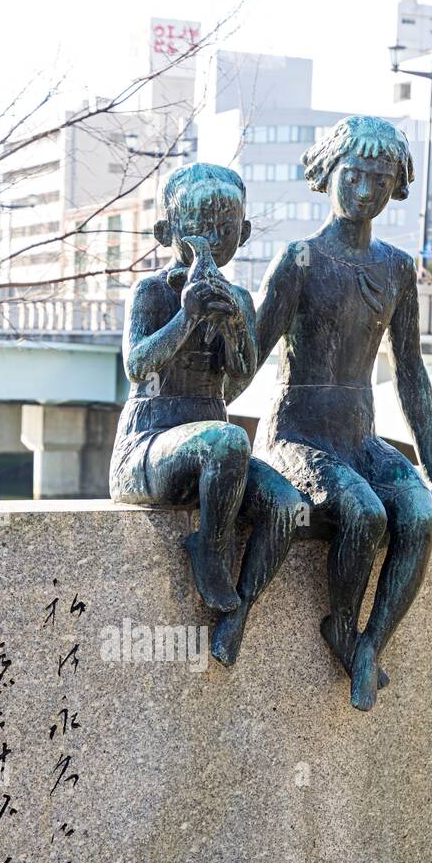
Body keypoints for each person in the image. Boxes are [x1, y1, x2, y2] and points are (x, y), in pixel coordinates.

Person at [244, 115, 432, 710]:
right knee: (365, 515)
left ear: (395, 185)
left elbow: (412, 373)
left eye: (380, 179)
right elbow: (248, 359)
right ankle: (341, 624)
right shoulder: (300, 262)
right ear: (327, 173)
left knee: (418, 515)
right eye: (354, 175)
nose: (365, 191)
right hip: (297, 435)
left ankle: (368, 644)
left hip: (359, 437)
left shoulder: (395, 269)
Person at [110, 162, 307, 645]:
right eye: (198, 228)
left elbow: (238, 379)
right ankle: (211, 547)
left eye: (224, 229)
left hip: (216, 454)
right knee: (227, 439)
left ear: (242, 233)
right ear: (167, 232)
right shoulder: (153, 291)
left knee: (284, 505)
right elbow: (138, 367)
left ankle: (239, 613)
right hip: (148, 448)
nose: (212, 239)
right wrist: (186, 317)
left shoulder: (239, 296)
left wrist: (237, 326)